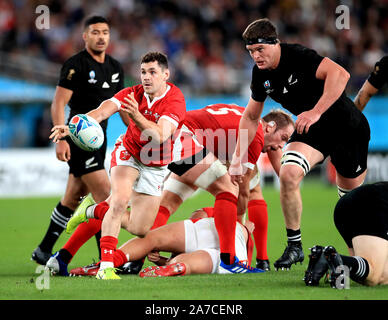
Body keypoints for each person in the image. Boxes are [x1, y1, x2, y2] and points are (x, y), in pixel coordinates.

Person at [47, 105, 293, 276]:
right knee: (227, 190)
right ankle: (230, 261)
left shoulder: (238, 114)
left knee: (152, 204)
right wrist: (239, 227)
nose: (281, 145)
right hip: (183, 142)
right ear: (269, 126)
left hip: (175, 141)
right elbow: (245, 191)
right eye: (283, 137)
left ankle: (63, 258)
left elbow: (216, 133)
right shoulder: (256, 134)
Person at [229, 18, 371, 271]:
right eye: (251, 52)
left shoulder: (298, 55)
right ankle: (294, 246)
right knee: (289, 173)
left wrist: (316, 111)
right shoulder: (260, 74)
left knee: (351, 203)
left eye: (260, 49)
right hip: (312, 128)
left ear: (276, 43)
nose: (256, 57)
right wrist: (238, 158)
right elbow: (250, 116)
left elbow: (341, 74)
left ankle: (358, 259)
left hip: (347, 127)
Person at [49, 51, 186, 280]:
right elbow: (102, 111)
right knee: (120, 200)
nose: (146, 77)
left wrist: (136, 115)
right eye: (143, 72)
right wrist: (72, 129)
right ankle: (106, 267)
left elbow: (160, 135)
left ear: (166, 75)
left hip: (156, 166)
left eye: (153, 72)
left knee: (140, 228)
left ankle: (90, 210)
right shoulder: (132, 94)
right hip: (128, 154)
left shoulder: (175, 100)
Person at [31, 15, 125, 265]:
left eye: (105, 32)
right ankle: (106, 257)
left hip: (99, 141)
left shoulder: (115, 68)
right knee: (107, 197)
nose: (101, 36)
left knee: (73, 198)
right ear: (85, 37)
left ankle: (44, 250)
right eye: (95, 32)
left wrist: (134, 130)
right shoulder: (76, 65)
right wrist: (60, 139)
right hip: (77, 140)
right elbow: (59, 102)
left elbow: (120, 105)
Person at [304, 182, 388, 288]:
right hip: (372, 202)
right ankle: (328, 257)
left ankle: (329, 260)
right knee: (374, 275)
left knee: (380, 277)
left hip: (348, 203)